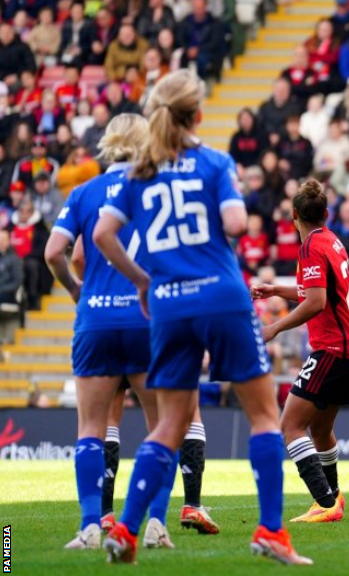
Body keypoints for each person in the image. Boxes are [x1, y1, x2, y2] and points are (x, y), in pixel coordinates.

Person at [92, 70, 309, 565]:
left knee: (167, 421)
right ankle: (272, 532)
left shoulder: (137, 173)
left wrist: (144, 280)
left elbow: (104, 235)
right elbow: (235, 223)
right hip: (221, 296)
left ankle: (124, 530)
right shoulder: (213, 161)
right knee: (262, 416)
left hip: (167, 303)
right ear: (198, 115)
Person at [42, 114, 178, 550]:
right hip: (147, 320)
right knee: (162, 427)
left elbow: (54, 254)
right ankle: (155, 523)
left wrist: (78, 292)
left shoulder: (83, 192)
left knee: (90, 429)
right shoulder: (156, 189)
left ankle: (89, 526)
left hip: (95, 320)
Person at [251, 179, 349, 524]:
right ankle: (333, 500)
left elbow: (315, 302)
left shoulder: (309, 248)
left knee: (290, 426)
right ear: (327, 214)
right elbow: (316, 290)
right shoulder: (331, 240)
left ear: (294, 215)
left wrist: (274, 327)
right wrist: (276, 290)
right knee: (319, 429)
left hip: (333, 347)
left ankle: (325, 501)